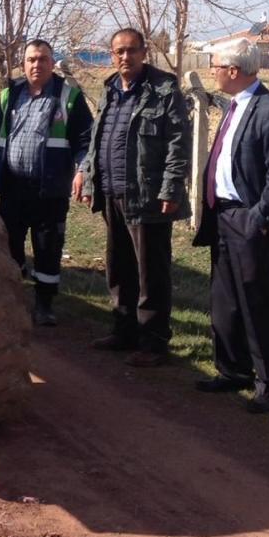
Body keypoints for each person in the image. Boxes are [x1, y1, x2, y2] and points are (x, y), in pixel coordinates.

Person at [192, 39, 269, 413]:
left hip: (250, 219)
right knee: (225, 301)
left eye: (215, 65)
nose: (211, 71)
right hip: (223, 216)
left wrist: (260, 220)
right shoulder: (234, 106)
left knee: (259, 303)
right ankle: (233, 371)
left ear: (233, 71)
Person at [79, 28, 191, 367]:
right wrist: (87, 177)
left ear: (144, 52)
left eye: (131, 50)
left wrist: (171, 187)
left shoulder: (164, 89)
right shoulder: (110, 90)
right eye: (119, 52)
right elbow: (97, 139)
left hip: (148, 196)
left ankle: (153, 342)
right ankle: (123, 330)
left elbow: (178, 143)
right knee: (119, 266)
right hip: (112, 191)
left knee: (151, 273)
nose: (125, 57)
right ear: (111, 55)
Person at [0, 39, 93, 327]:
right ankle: (12, 294)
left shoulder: (69, 97)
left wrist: (82, 170)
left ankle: (44, 304)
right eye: (31, 59)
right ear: (23, 64)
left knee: (47, 247)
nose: (36, 64)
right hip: (13, 187)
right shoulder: (9, 95)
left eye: (43, 59)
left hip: (50, 189)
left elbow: (85, 140)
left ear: (51, 62)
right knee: (7, 244)